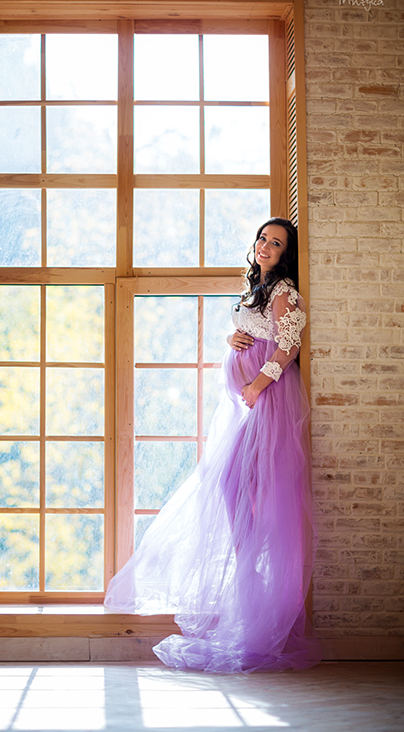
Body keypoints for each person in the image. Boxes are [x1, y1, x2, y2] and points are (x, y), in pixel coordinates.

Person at [104, 218, 322, 673]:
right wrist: (232, 339)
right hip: (250, 402)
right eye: (262, 238)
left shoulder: (285, 293)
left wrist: (257, 384)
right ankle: (248, 566)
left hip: (268, 400)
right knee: (230, 482)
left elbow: (288, 347)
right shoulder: (257, 288)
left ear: (286, 253)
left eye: (276, 243)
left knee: (244, 483)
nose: (265, 246)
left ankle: (257, 568)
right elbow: (256, 333)